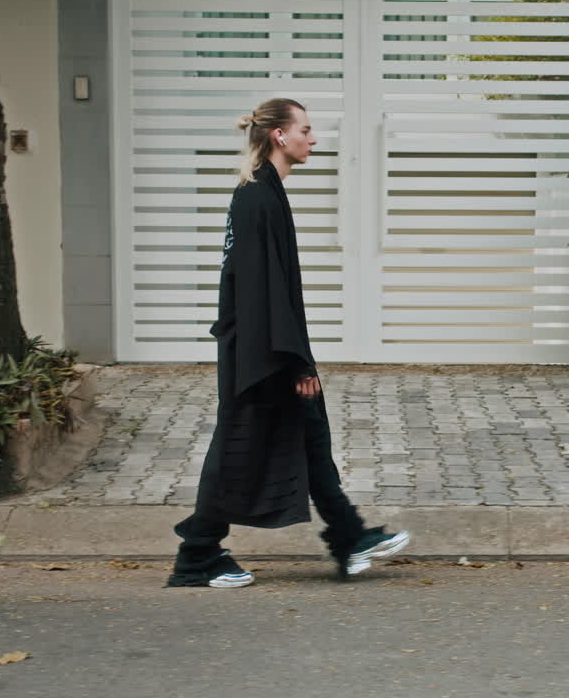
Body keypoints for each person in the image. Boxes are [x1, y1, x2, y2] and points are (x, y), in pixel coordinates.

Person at [165, 98, 410, 589]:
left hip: (263, 349)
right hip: (260, 355)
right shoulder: (257, 196)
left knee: (309, 439)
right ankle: (195, 557)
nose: (313, 138)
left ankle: (348, 537)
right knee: (236, 453)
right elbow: (262, 289)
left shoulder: (264, 191)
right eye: (306, 128)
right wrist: (296, 363)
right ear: (280, 135)